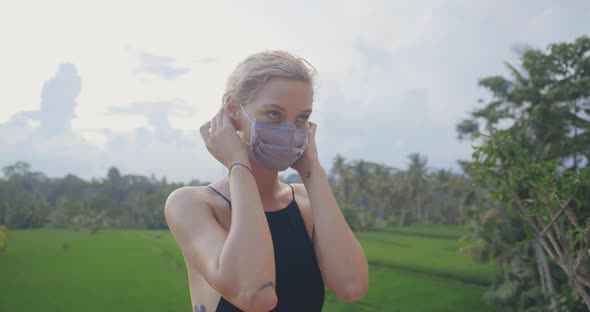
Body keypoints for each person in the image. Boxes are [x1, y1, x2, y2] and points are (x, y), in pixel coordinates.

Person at [165, 51, 368, 312]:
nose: (290, 130)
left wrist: (312, 169)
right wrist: (237, 163)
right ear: (232, 110)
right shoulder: (193, 204)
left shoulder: (304, 203)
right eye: (274, 114)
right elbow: (256, 295)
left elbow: (351, 287)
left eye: (301, 118)